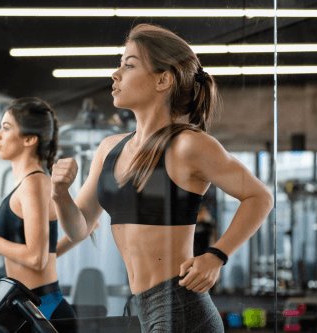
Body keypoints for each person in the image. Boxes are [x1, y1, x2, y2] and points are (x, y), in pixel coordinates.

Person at [51, 24, 274, 332]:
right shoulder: (109, 149)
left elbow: (260, 196)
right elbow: (79, 228)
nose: (115, 75)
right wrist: (60, 193)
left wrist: (215, 256)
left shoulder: (188, 145)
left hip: (182, 308)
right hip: (146, 307)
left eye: (129, 65)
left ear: (163, 80)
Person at [0, 97, 75, 320]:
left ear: (29, 139)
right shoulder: (32, 183)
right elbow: (46, 252)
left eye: (6, 128)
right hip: (30, 303)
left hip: (42, 308)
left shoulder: (34, 184)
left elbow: (37, 258)